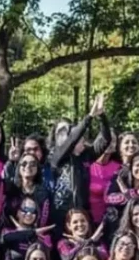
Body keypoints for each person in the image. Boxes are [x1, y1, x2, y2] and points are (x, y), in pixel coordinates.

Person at [48, 94, 112, 232]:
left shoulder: (86, 156)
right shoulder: (58, 156)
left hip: (81, 213)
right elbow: (71, 139)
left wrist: (101, 116)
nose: (83, 139)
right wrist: (89, 116)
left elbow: (105, 140)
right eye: (80, 137)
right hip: (61, 213)